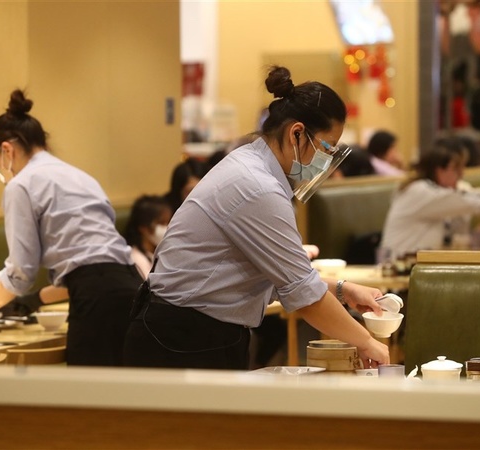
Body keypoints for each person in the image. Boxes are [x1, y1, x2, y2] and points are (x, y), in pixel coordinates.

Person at [123, 66, 390, 370]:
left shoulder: (255, 169)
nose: (326, 163)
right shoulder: (256, 186)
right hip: (181, 339)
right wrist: (367, 342)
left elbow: (277, 278)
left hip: (190, 332)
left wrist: (343, 290)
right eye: (326, 149)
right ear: (297, 133)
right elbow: (305, 297)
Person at [0, 90, 143, 366]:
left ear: (6, 150)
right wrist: (32, 300)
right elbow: (93, 266)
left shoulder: (21, 185)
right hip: (131, 287)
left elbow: (21, 273)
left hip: (96, 300)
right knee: (122, 396)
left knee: (85, 399)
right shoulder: (80, 176)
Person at [381, 143, 480, 258]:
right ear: (439, 170)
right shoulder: (420, 190)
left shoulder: (435, 195)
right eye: (455, 168)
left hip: (415, 263)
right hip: (398, 264)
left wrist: (474, 236)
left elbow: (449, 238)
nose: (461, 174)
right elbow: (459, 201)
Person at [123, 195, 173, 279]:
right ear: (143, 227)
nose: (167, 228)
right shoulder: (135, 259)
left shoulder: (165, 253)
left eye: (169, 222)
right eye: (161, 223)